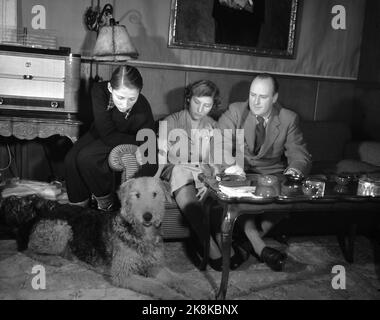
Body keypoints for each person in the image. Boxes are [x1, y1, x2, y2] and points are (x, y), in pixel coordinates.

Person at [217, 73, 312, 271]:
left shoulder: (288, 118)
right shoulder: (236, 111)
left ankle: (246, 243)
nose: (256, 101)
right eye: (252, 95)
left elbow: (299, 154)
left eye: (263, 96)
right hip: (240, 172)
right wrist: (229, 166)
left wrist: (293, 172)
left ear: (275, 97)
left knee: (288, 198)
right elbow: (218, 143)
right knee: (243, 200)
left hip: (273, 175)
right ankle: (260, 248)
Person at [152, 80, 243, 271]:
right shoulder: (170, 121)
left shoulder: (213, 125)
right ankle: (206, 243)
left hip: (201, 172)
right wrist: (155, 178)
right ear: (188, 99)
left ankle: (220, 239)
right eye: (197, 102)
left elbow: (215, 160)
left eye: (207, 105)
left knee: (215, 183)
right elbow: (161, 154)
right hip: (176, 170)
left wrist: (212, 181)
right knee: (180, 170)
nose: (201, 109)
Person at [64, 65, 155, 211]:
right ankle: (78, 211)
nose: (125, 104)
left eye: (132, 98)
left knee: (86, 158)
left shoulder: (143, 108)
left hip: (125, 136)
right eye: (120, 97)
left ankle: (106, 202)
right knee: (70, 159)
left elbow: (150, 148)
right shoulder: (98, 90)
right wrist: (137, 143)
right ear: (110, 88)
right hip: (102, 132)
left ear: (139, 92)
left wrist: (142, 147)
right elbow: (106, 132)